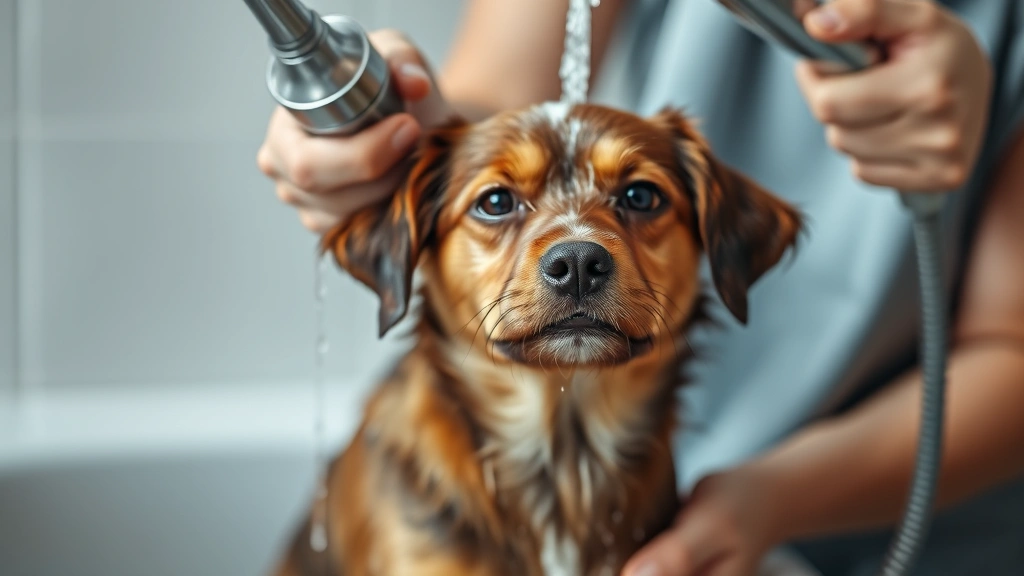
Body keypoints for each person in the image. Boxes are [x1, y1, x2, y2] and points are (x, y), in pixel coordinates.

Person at [256, 0, 1024, 574]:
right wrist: (396, 133)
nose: (579, 255)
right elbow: (486, 100)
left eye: (640, 198)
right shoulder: (402, 511)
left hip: (888, 520)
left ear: (718, 251)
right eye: (497, 204)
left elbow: (1012, 349)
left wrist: (766, 501)